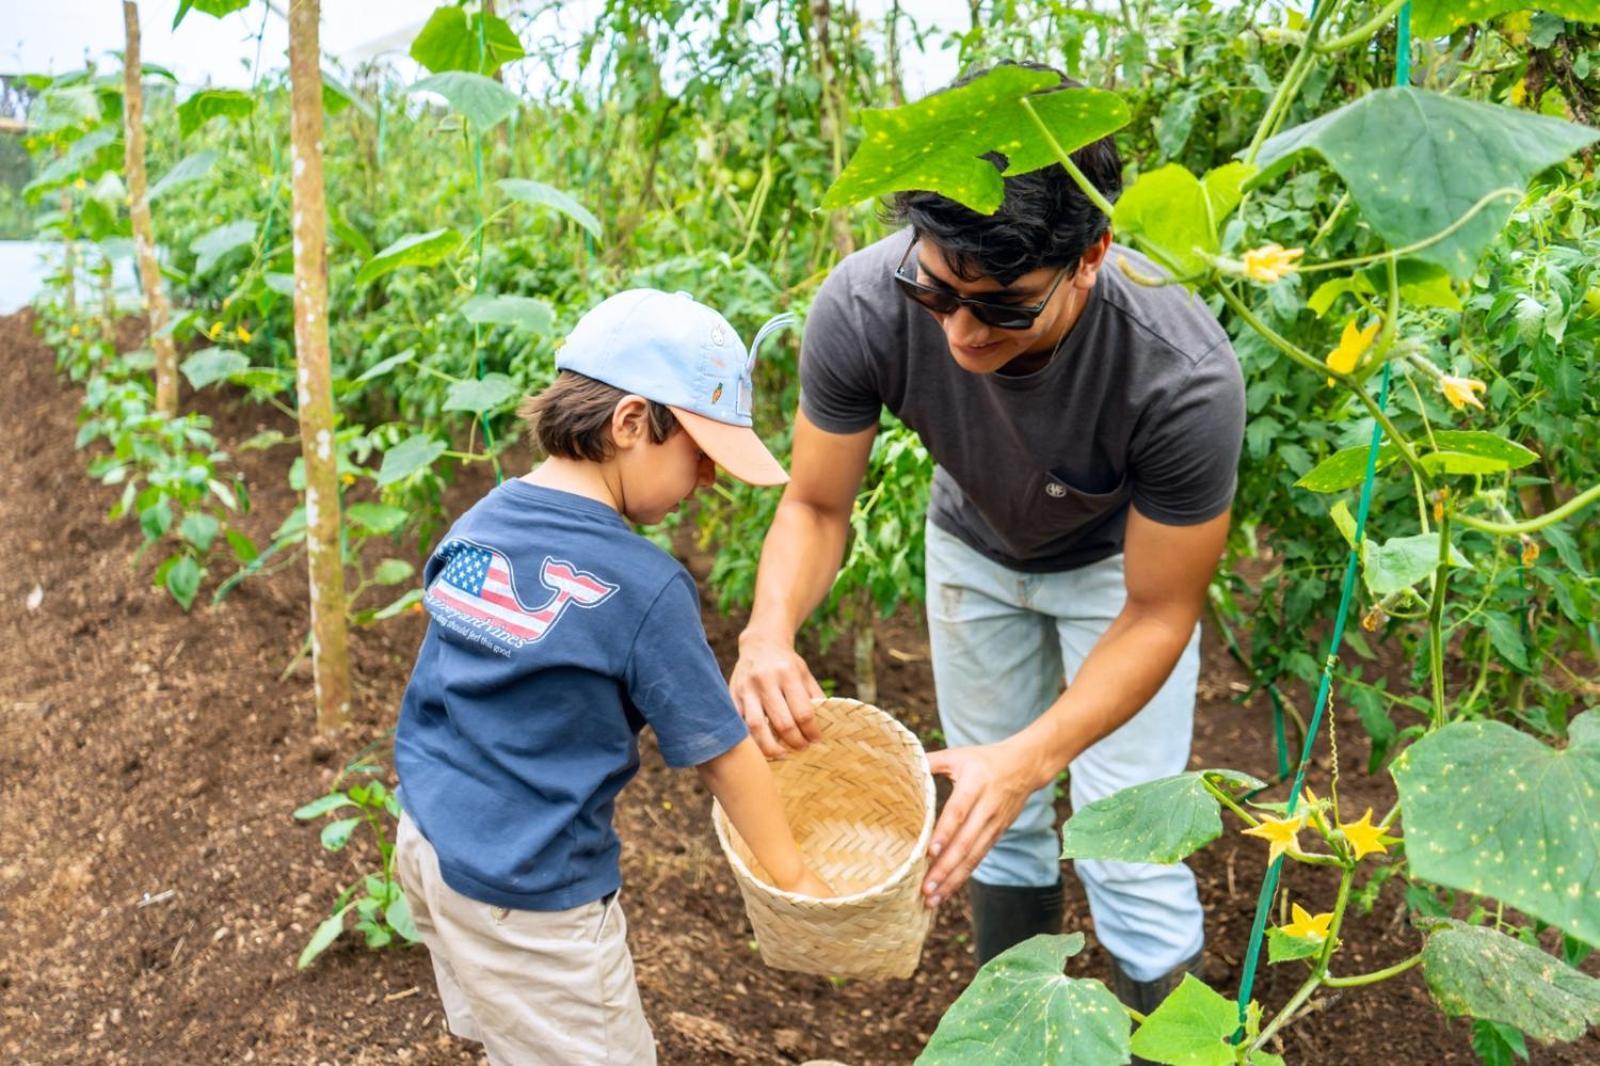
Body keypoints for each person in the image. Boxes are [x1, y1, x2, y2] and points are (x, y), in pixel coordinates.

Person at [730, 62, 1245, 1016]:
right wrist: (767, 631)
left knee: (1126, 837)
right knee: (986, 815)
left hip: (1114, 579)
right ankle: (1015, 1024)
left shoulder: (1179, 372)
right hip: (975, 549)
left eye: (1004, 307)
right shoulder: (863, 305)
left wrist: (1033, 755)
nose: (963, 335)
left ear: (1092, 254)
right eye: (939, 295)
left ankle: (1171, 1028)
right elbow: (813, 507)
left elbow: (1161, 607)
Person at [393, 289, 831, 1066]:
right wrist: (795, 877)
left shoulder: (479, 523)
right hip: (532, 897)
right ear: (631, 423)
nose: (707, 480)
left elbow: (441, 683)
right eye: (700, 454)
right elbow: (723, 754)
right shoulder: (643, 584)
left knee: (513, 1036)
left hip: (429, 845)